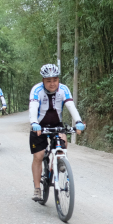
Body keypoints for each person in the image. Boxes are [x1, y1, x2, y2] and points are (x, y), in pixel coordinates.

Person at [29, 64, 86, 201]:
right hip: (39, 126)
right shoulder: (36, 90)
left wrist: (78, 121)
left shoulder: (64, 89)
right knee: (38, 156)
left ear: (58, 79)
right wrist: (34, 123)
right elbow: (33, 107)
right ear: (43, 80)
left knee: (62, 146)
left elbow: (71, 106)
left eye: (55, 80)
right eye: (48, 80)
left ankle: (58, 163)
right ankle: (37, 189)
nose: (52, 83)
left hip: (56, 125)